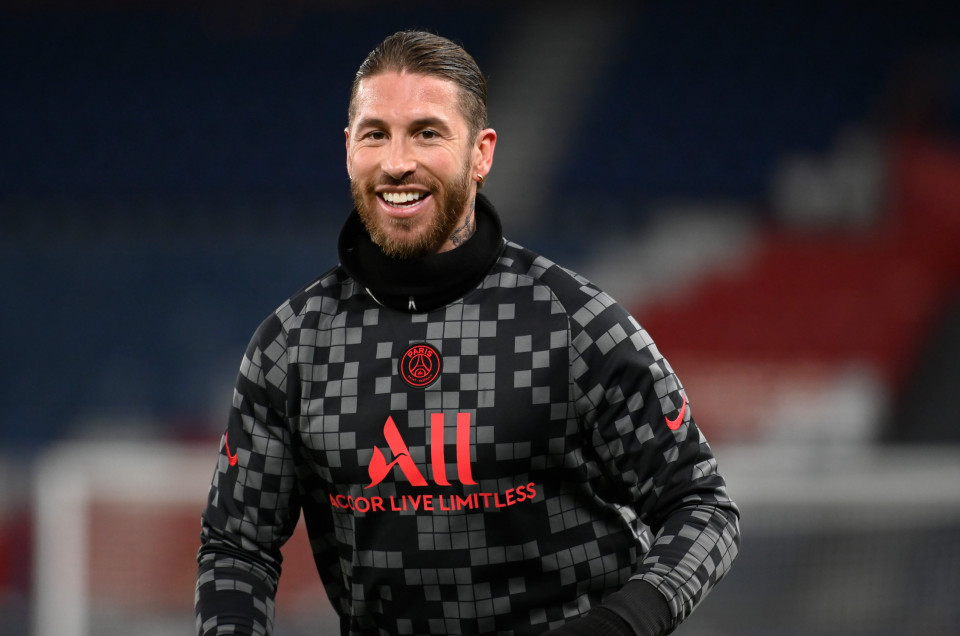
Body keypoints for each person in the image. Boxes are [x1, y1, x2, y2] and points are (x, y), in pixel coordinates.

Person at [195, 29, 740, 636]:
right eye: (377, 134)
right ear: (349, 149)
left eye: (427, 132)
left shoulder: (575, 323)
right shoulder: (290, 347)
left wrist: (617, 626)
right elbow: (236, 549)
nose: (397, 161)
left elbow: (703, 510)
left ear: (481, 153)